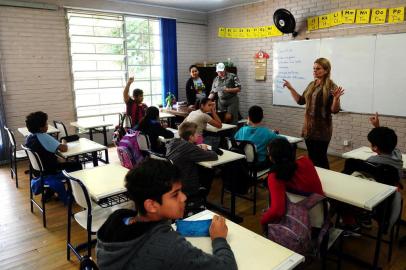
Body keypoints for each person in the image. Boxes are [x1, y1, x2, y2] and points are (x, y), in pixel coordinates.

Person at [96, 159, 237, 270]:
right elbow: (227, 267)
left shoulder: (118, 219)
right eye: (175, 195)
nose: (184, 198)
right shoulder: (169, 246)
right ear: (151, 205)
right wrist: (219, 239)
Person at [283, 58, 344, 169]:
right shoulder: (312, 84)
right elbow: (300, 101)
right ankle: (314, 180)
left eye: (318, 68)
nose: (315, 71)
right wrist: (291, 88)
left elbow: (334, 110)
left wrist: (336, 99)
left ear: (326, 70)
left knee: (321, 158)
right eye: (314, 68)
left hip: (322, 130)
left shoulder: (331, 86)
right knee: (312, 158)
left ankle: (325, 181)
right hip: (309, 129)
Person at [261, 138, 324, 225]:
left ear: (272, 158)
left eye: (269, 154)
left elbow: (277, 211)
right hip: (320, 218)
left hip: (296, 224)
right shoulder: (306, 161)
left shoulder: (275, 176)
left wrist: (263, 220)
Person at [25, 111, 82, 202]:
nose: (47, 125)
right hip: (50, 171)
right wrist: (63, 141)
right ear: (41, 127)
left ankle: (50, 191)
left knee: (66, 163)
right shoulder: (44, 137)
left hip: (38, 171)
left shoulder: (29, 137)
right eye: (46, 123)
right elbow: (64, 148)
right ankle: (71, 194)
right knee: (77, 165)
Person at [166, 121, 218, 216]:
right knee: (210, 170)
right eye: (196, 133)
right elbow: (214, 156)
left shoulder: (173, 142)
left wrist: (196, 148)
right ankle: (201, 196)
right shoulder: (189, 148)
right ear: (191, 137)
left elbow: (187, 151)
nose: (198, 135)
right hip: (186, 186)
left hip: (172, 182)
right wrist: (203, 149)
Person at [235, 105, 283, 170]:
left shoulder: (242, 130)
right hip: (259, 164)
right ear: (262, 117)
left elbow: (235, 140)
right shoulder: (266, 132)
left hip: (243, 164)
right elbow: (283, 140)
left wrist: (246, 125)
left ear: (248, 117)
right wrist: (273, 133)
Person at [367, 112, 403, 179]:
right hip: (394, 186)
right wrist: (377, 126)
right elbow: (388, 140)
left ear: (375, 147)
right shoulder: (397, 153)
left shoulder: (372, 160)